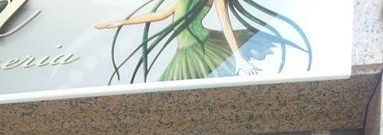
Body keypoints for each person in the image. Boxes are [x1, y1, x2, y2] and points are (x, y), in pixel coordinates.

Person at [95, 0, 311, 84]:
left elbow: (225, 24)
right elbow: (161, 15)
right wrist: (119, 22)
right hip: (183, 51)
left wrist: (239, 58)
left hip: (202, 49)